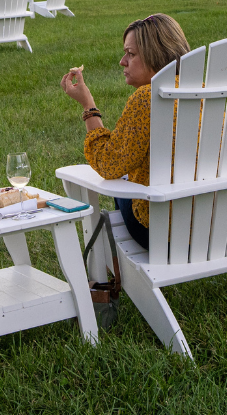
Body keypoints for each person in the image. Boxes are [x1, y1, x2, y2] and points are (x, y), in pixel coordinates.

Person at [60, 13, 191, 251]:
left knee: (122, 181)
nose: (122, 61)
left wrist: (88, 105)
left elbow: (108, 164)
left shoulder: (147, 98)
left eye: (130, 54)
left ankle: (101, 276)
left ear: (157, 55)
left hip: (162, 233)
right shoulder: (205, 91)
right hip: (214, 226)